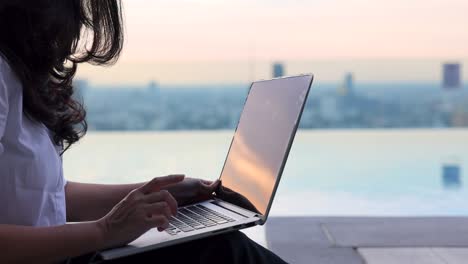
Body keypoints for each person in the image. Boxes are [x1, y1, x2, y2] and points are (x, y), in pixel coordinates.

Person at [0, 1, 286, 263]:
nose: (76, 32)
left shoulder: (17, 73)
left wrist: (156, 195)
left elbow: (50, 196)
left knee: (219, 244)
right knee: (224, 252)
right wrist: (104, 231)